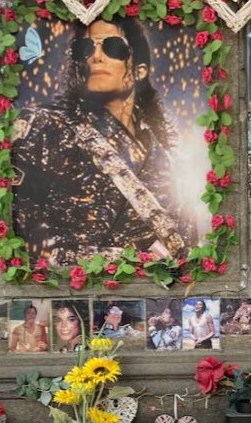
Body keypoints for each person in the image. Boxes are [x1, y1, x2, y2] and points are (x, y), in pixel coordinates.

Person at [12, 16, 195, 265]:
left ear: (139, 70)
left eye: (113, 47)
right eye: (85, 48)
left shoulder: (168, 159)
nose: (95, 56)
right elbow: (21, 231)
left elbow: (186, 245)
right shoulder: (45, 127)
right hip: (73, 282)